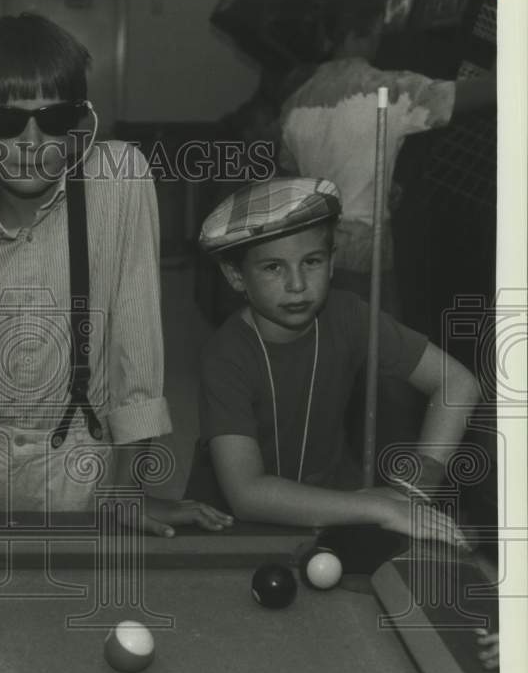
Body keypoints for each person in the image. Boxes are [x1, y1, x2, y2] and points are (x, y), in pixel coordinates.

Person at [0, 13, 231, 536]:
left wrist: (129, 487)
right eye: (5, 122)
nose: (31, 140)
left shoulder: (119, 182)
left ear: (77, 128)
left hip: (78, 480)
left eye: (54, 119)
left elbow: (137, 347)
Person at [184, 177, 480, 544]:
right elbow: (247, 494)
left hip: (330, 514)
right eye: (273, 267)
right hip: (225, 533)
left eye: (311, 261)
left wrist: (414, 492)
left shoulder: (349, 315)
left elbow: (457, 383)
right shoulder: (225, 355)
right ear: (235, 275)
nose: (297, 284)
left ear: (332, 262)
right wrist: (382, 508)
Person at [279, 0, 496, 315]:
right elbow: (484, 93)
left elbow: (292, 173)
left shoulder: (294, 101)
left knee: (329, 348)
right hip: (364, 255)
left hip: (311, 251)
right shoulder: (389, 90)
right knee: (380, 355)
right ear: (364, 32)